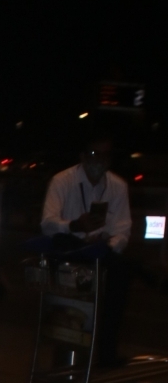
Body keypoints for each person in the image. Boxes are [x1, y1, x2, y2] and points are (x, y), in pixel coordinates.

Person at [41, 137, 133, 366]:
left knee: (120, 276)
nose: (99, 161)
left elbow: (123, 229)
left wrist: (106, 244)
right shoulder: (63, 180)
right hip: (69, 248)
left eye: (105, 155)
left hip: (99, 252)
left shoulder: (118, 186)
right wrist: (75, 225)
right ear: (82, 157)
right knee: (65, 242)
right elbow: (48, 223)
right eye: (94, 154)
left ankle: (106, 353)